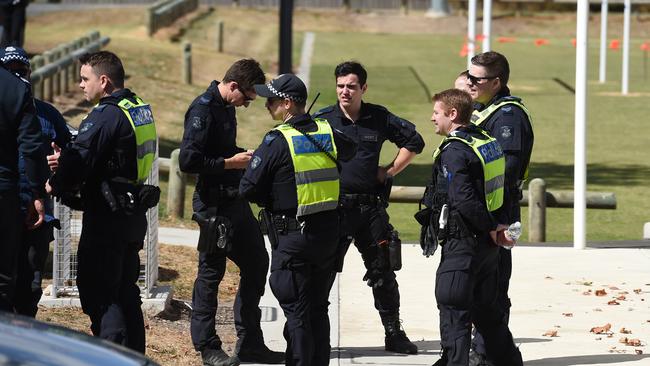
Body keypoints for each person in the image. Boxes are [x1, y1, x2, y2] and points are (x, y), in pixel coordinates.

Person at [240, 73, 356, 366]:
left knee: (297, 313)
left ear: (288, 103)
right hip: (328, 236)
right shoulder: (327, 132)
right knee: (318, 308)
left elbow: (248, 188)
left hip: (293, 239)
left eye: (271, 100)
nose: (267, 105)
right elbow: (351, 148)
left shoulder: (277, 140)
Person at [46, 51, 158, 353]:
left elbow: (81, 157)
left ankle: (112, 357)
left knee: (100, 293)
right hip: (131, 214)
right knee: (124, 292)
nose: (81, 85)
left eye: (85, 79)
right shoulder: (138, 107)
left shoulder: (105, 114)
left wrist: (55, 182)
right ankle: (135, 357)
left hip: (108, 217)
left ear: (104, 80)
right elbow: (114, 157)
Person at [313, 61, 423, 354]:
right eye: (340, 86)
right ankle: (313, 333)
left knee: (383, 272)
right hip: (334, 211)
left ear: (363, 88)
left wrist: (388, 171)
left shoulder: (378, 117)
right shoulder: (322, 120)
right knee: (320, 274)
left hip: (370, 212)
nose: (344, 92)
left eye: (351, 86)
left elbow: (414, 141)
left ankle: (393, 333)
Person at [179, 59, 284, 366]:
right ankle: (207, 346)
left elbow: (221, 148)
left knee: (257, 262)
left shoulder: (226, 107)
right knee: (211, 275)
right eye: (247, 99)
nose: (247, 105)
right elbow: (188, 161)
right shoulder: (202, 110)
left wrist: (244, 156)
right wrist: (229, 163)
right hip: (213, 206)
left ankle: (250, 342)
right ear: (234, 86)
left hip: (235, 202)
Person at [424, 88, 523, 366]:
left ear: (452, 114)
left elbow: (463, 199)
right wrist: (497, 226)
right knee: (488, 317)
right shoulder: (486, 141)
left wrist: (492, 227)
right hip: (487, 250)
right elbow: (499, 188)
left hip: (463, 245)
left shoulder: (455, 151)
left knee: (454, 312)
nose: (432, 118)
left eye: (436, 113)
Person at [465, 51, 534, 366]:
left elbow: (506, 168)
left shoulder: (508, 117)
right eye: (469, 76)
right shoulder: (485, 110)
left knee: (492, 286)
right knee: (478, 284)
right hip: (486, 211)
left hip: (501, 213)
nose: (470, 83)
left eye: (476, 79)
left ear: (496, 81)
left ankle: (491, 353)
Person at [1, 45, 72, 317]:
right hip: (8, 202)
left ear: (30, 73)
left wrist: (60, 159)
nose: (16, 75)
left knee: (29, 285)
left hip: (36, 214)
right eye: (10, 71)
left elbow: (69, 150)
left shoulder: (47, 113)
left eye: (21, 70)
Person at [0, 45, 46, 313]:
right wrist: (37, 193)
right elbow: (31, 147)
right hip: (5, 192)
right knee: (4, 275)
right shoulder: (17, 89)